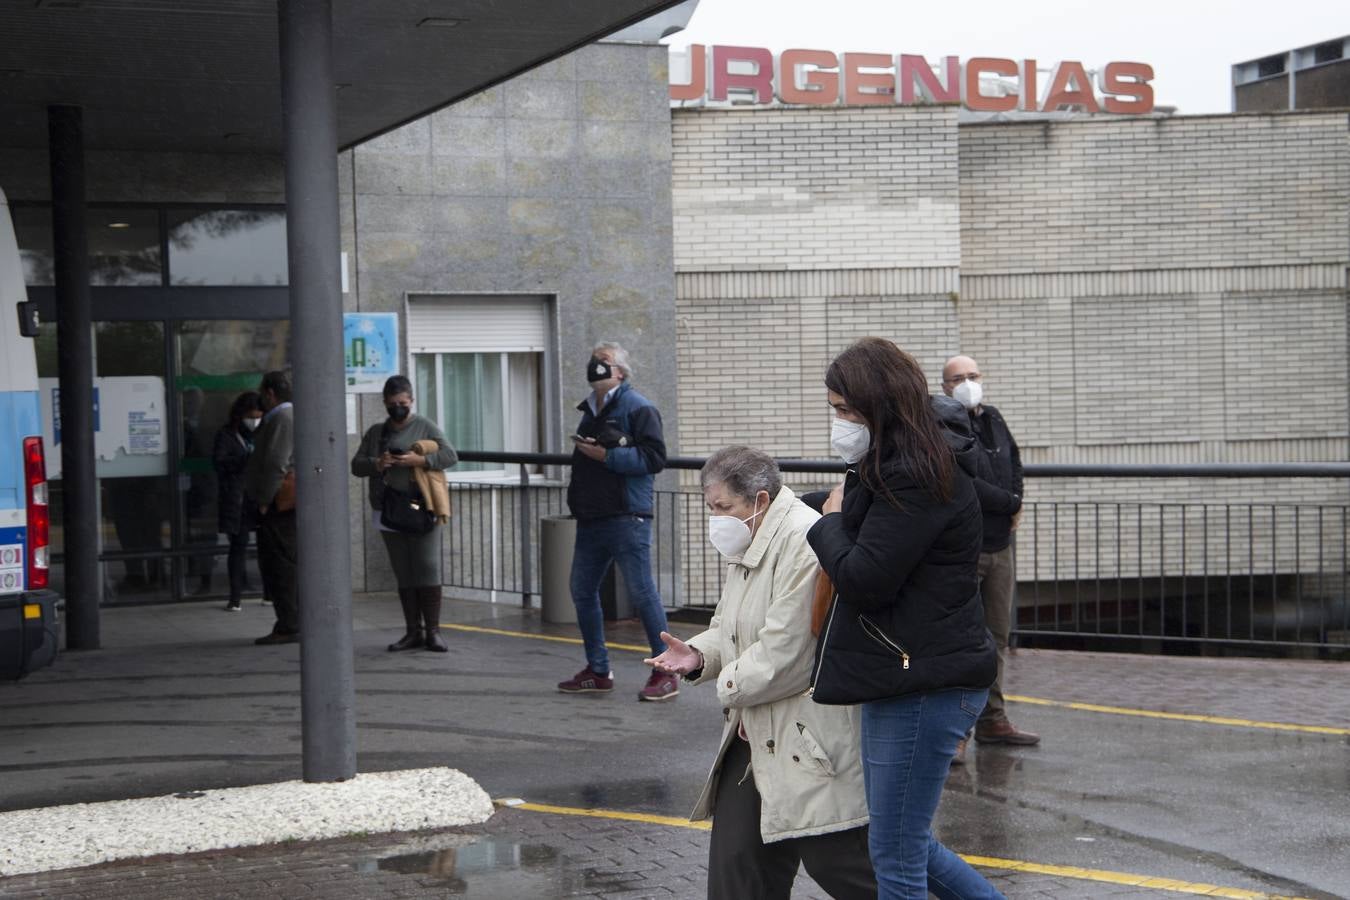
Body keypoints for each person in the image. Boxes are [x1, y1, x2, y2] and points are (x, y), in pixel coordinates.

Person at [805, 337, 1002, 899]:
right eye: (835, 409)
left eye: (845, 410)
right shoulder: (890, 464)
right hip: (910, 675)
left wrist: (826, 523)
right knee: (906, 845)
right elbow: (859, 519)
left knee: (895, 854)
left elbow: (866, 576)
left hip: (923, 684)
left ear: (879, 406)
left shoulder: (917, 474)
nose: (839, 422)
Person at [645, 446, 876, 899]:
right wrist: (696, 655)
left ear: (760, 500)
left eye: (723, 507)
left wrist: (726, 687)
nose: (715, 518)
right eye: (710, 507)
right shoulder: (753, 538)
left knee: (841, 865)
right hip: (753, 731)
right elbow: (728, 629)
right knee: (737, 869)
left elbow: (786, 654)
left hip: (808, 736)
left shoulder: (802, 540)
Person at [557, 342, 676, 702]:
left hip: (627, 515)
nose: (596, 366)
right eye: (594, 360)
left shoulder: (639, 407)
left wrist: (608, 456)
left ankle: (666, 671)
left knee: (642, 594)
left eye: (604, 362)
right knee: (582, 590)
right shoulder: (590, 409)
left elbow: (655, 458)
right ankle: (597, 668)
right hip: (593, 516)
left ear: (620, 372)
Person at [943, 355, 1039, 762]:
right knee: (964, 642)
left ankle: (992, 719)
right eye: (959, 378)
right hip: (968, 548)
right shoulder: (946, 422)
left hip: (1000, 546)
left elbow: (1013, 460)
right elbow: (967, 482)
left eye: (973, 376)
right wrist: (1010, 502)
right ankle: (957, 729)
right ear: (945, 386)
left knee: (996, 638)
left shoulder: (993, 417)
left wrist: (1015, 500)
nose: (968, 383)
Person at [351, 374, 458, 652]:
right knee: (403, 571)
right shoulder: (377, 432)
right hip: (388, 508)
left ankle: (433, 631)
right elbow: (356, 465)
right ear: (385, 403)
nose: (398, 407)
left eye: (403, 402)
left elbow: (450, 455)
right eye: (392, 403)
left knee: (427, 566)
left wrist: (419, 460)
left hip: (422, 506)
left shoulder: (424, 425)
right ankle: (413, 631)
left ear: (411, 401)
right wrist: (378, 462)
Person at [245, 370, 298, 645]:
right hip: (279, 502)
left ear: (270, 393)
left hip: (279, 504)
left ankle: (289, 624)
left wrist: (265, 500)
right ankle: (290, 621)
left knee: (280, 565)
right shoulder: (281, 417)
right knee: (280, 564)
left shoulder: (283, 417)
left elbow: (277, 462)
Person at [212, 391, 263, 611]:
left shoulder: (264, 433)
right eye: (250, 416)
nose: (254, 421)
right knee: (238, 547)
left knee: (268, 547)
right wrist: (246, 458)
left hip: (260, 496)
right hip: (238, 499)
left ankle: (268, 593)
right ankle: (235, 597)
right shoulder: (227, 435)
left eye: (258, 416)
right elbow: (220, 464)